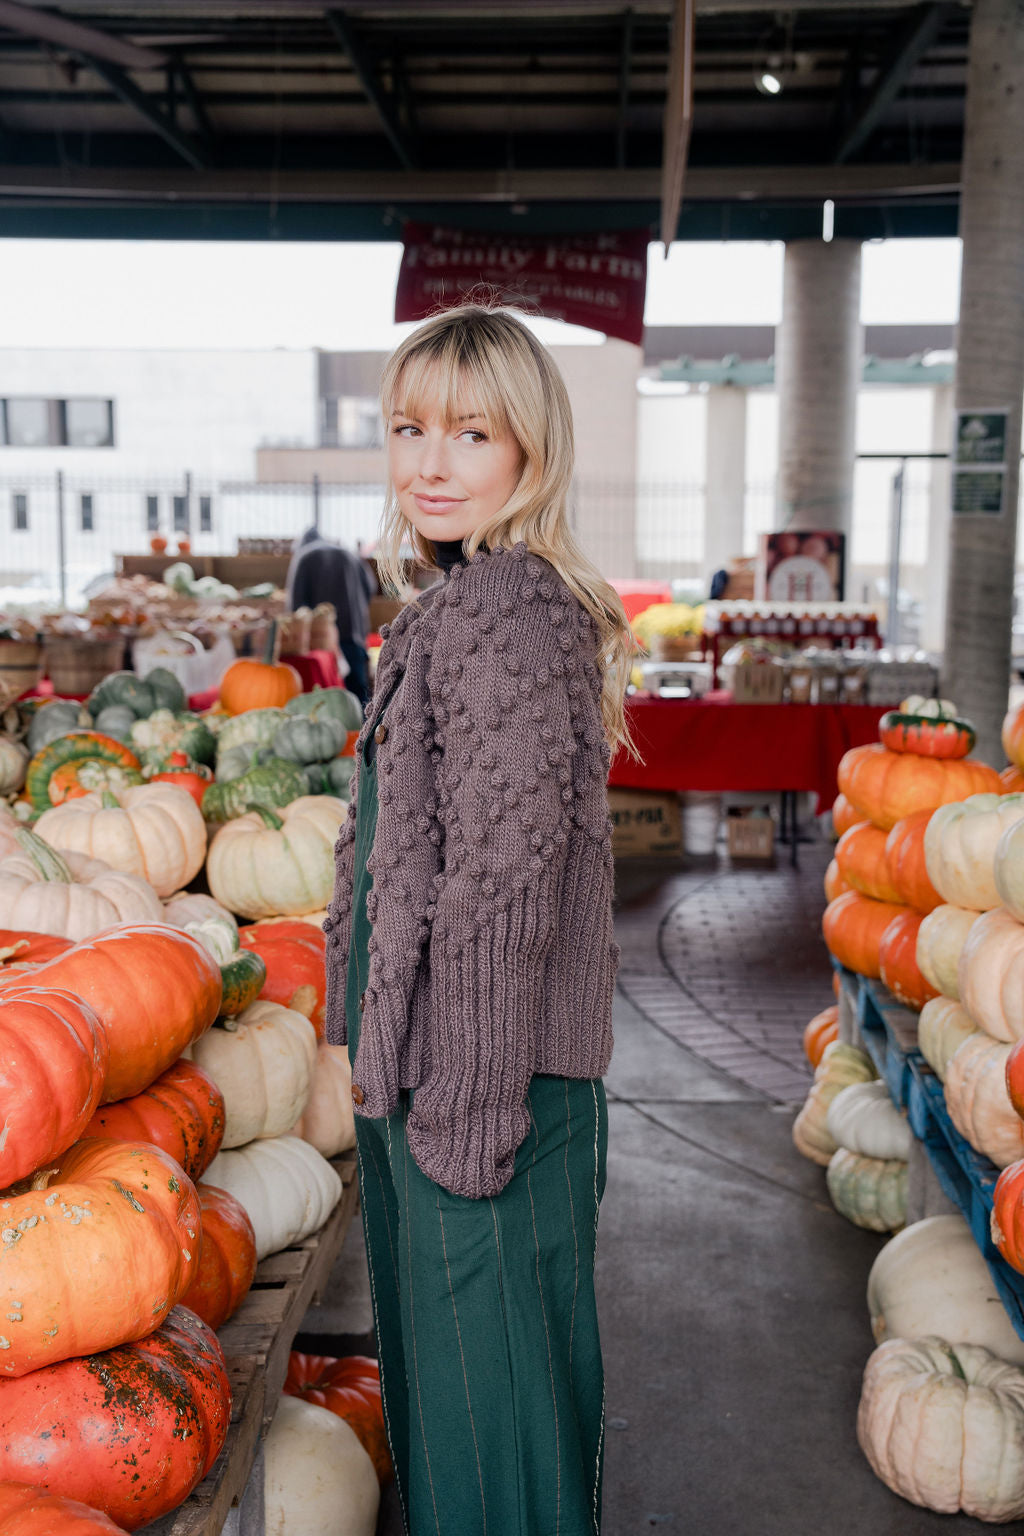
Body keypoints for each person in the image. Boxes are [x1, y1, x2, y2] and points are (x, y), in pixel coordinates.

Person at [322, 302, 636, 1536]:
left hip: (483, 1079)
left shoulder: (503, 611)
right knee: (472, 1402)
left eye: (469, 433)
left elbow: (502, 883)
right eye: (408, 429)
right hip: (450, 1066)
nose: (429, 462)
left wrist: (459, 1104)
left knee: (490, 1422)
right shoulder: (457, 602)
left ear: (530, 455)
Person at [285, 525, 376, 705]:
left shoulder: (303, 557)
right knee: (359, 696)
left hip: (321, 644)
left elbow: (295, 606)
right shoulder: (349, 554)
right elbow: (370, 588)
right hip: (354, 634)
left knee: (329, 702)